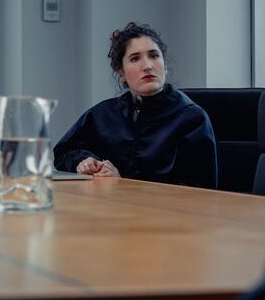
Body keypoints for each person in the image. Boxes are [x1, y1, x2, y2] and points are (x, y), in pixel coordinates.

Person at [53, 22, 217, 188]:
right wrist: (84, 162)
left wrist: (122, 183)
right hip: (110, 209)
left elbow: (198, 191)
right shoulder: (103, 114)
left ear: (165, 66)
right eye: (135, 58)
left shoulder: (192, 119)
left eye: (154, 56)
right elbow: (63, 152)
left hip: (168, 212)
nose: (147, 66)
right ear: (121, 73)